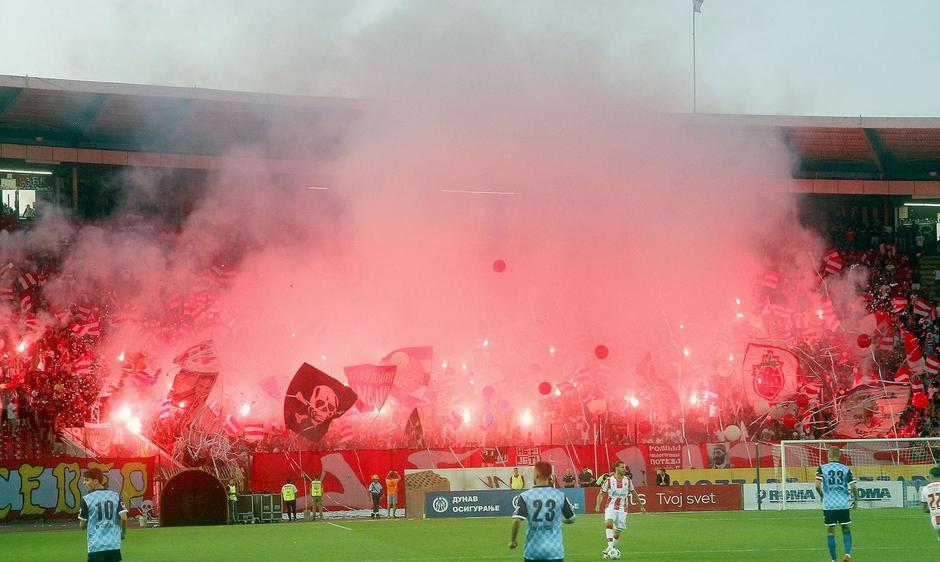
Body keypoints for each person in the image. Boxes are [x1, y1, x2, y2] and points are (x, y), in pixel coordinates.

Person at [509, 460, 575, 561]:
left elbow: (517, 520)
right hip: (555, 552)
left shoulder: (525, 496)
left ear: (536, 475)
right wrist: (562, 520)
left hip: (533, 552)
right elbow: (572, 518)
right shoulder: (560, 495)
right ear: (550, 476)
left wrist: (513, 541)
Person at [595, 460, 645, 558]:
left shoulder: (628, 480)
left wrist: (641, 505)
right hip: (611, 506)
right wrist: (598, 504)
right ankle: (610, 548)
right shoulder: (609, 480)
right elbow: (601, 493)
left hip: (623, 508)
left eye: (625, 467)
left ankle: (610, 548)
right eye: (622, 467)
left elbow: (634, 493)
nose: (625, 469)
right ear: (617, 468)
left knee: (617, 532)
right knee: (609, 523)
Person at [815, 446, 858, 562]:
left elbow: (817, 486)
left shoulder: (822, 468)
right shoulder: (845, 469)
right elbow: (853, 486)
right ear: (839, 456)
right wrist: (855, 500)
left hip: (829, 505)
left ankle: (834, 560)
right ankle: (848, 554)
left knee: (830, 532)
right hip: (843, 504)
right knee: (846, 529)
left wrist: (823, 496)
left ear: (828, 455)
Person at [78, 467, 127, 562]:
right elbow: (124, 518)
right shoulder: (115, 496)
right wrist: (123, 533)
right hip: (113, 545)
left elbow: (82, 525)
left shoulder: (87, 499)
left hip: (96, 546)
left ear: (96, 481)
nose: (84, 483)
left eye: (86, 480)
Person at [919, 465, 940, 542]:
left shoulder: (925, 489)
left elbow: (924, 509)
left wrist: (932, 510)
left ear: (931, 476)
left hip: (936, 521)